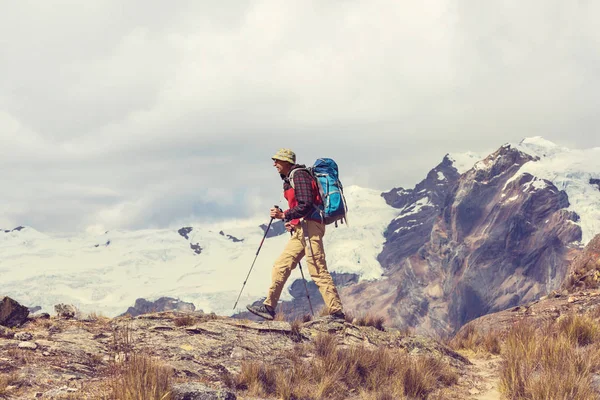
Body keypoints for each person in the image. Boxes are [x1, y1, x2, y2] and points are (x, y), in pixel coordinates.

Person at [246, 148, 345, 320]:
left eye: (277, 160)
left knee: (317, 268)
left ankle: (336, 312)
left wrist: (285, 215)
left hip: (310, 227)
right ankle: (269, 307)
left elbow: (306, 204)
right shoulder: (290, 178)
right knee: (281, 265)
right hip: (302, 228)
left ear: (286, 161)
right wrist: (291, 221)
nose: (274, 164)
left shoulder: (299, 175)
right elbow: (302, 205)